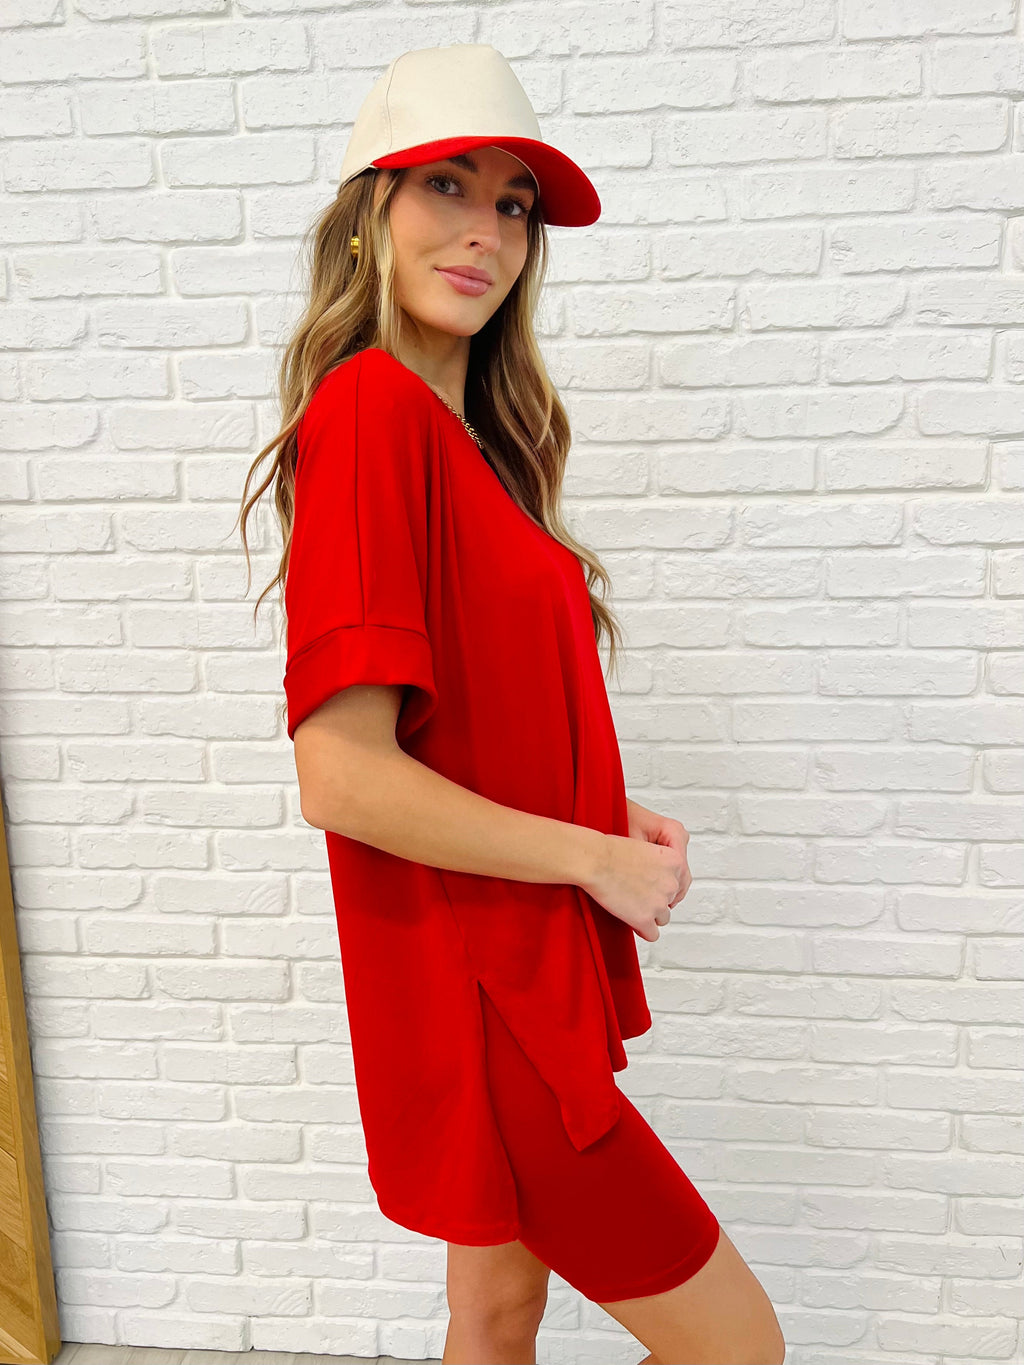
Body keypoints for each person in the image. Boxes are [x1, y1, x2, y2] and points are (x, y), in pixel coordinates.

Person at [238, 42, 785, 1365]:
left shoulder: (471, 444)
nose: (487, 230)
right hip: (491, 994)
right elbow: (342, 773)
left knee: (496, 1312)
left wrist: (605, 813)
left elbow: (475, 725)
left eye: (514, 204)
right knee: (737, 1346)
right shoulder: (369, 412)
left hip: (509, 968)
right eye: (448, 185)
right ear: (371, 209)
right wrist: (590, 859)